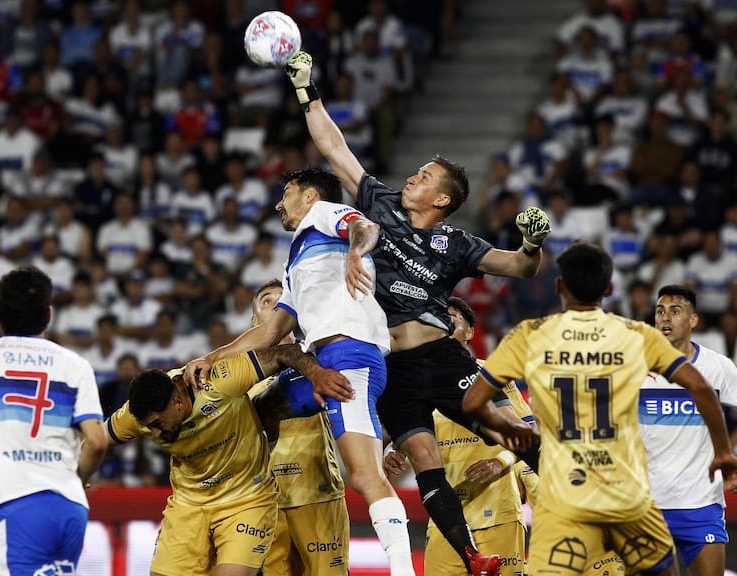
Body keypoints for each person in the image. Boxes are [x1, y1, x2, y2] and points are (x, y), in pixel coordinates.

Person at [274, 50, 547, 575]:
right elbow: (333, 145)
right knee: (424, 460)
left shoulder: (456, 242)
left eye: (424, 176)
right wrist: (306, 89)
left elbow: (518, 267)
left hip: (439, 356)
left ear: (443, 198)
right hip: (391, 366)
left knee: (505, 428)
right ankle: (472, 558)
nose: (413, 177)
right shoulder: (380, 204)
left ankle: (579, 501)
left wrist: (532, 244)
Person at [185, 167, 422, 576]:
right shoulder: (296, 261)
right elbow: (273, 330)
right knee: (261, 409)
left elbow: (365, 227)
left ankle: (403, 570)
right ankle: (249, 489)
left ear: (310, 196)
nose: (279, 203)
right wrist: (214, 356)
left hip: (350, 354)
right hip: (321, 361)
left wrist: (355, 252)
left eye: (287, 193)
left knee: (366, 474)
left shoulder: (324, 214)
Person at [463, 242, 737, 575]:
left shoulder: (529, 336)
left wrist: (512, 430)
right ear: (608, 289)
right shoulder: (635, 336)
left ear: (560, 286)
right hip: (627, 497)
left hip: (565, 498)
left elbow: (473, 402)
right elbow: (700, 387)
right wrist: (724, 452)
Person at [105, 342, 349, 576]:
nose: (155, 433)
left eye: (157, 424)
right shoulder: (138, 416)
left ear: (178, 402)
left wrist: (316, 374)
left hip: (271, 497)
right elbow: (97, 441)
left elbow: (286, 354)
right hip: (191, 504)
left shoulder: (225, 379)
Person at [0, 266, 108, 574]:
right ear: (48, 314)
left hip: (17, 503)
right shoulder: (76, 365)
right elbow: (97, 442)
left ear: (0, 316)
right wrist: (79, 478)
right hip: (70, 507)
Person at [384, 296, 536, 576]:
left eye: (452, 319)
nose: (442, 324)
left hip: (498, 512)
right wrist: (391, 453)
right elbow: (402, 434)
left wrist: (499, 462)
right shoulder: (414, 381)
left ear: (470, 332)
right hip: (446, 519)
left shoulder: (493, 375)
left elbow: (527, 431)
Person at [249, 279, 349, 575]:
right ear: (255, 320)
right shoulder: (238, 376)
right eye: (268, 301)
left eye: (284, 300)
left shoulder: (321, 360)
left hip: (318, 497)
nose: (277, 305)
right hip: (265, 504)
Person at [640, 285, 737, 576]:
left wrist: (729, 451)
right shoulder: (635, 366)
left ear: (693, 320)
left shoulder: (718, 367)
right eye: (660, 311)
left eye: (675, 311)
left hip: (701, 505)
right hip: (647, 506)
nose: (665, 318)